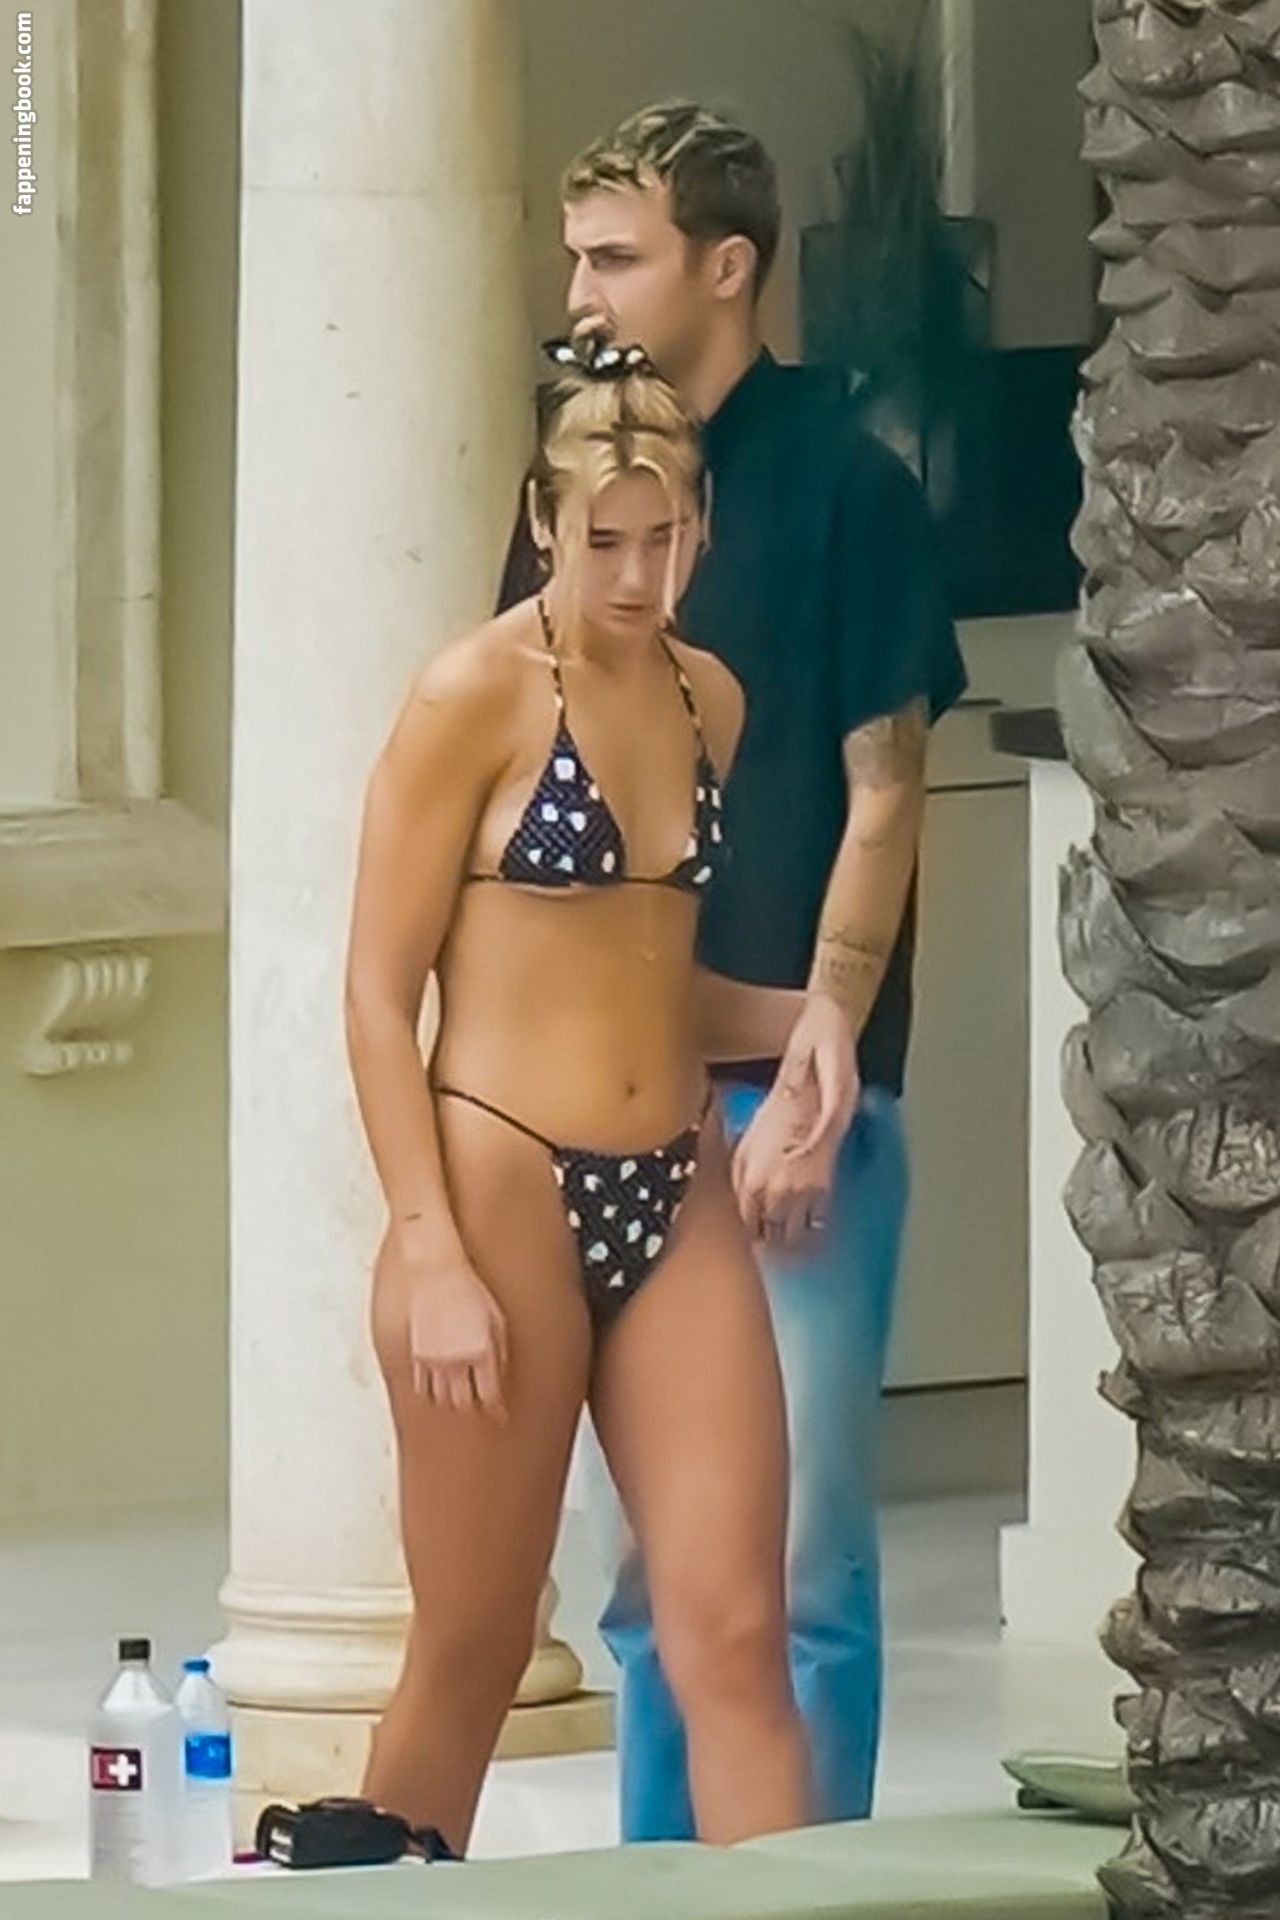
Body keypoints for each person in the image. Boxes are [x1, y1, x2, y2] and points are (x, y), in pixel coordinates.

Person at [495, 101, 969, 1840]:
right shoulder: (581, 494)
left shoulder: (850, 486)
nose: (581, 291)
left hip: (789, 1099)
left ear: (727, 266)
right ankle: (656, 1880)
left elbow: (886, 788)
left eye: (614, 256)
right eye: (576, 257)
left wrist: (826, 1044)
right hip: (614, 1095)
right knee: (649, 1585)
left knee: (799, 1573)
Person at [343, 337, 817, 1859]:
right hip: (499, 1190)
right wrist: (426, 1250)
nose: (636, 574)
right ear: (545, 523)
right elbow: (377, 994)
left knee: (737, 1636)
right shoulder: (470, 696)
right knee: (475, 1647)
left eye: (663, 537)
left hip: (675, 1180)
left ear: (700, 524)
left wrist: (813, 1019)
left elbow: (651, 981)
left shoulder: (708, 697)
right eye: (603, 540)